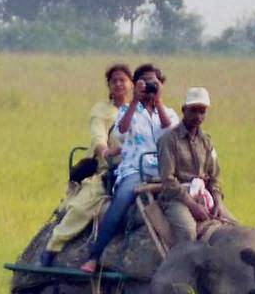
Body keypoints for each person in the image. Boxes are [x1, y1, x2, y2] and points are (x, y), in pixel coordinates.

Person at [80, 62, 175, 273]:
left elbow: (172, 134)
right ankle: (95, 255)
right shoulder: (126, 109)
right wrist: (135, 102)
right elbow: (121, 132)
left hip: (163, 171)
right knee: (122, 199)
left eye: (155, 82)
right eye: (145, 82)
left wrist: (158, 102)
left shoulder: (168, 112)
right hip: (135, 169)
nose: (150, 86)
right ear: (136, 85)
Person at [45, 62, 133, 258]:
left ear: (131, 84)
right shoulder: (101, 110)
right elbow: (98, 137)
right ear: (109, 86)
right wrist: (106, 152)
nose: (119, 84)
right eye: (114, 81)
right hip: (108, 169)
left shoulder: (139, 110)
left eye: (123, 80)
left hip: (137, 169)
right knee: (81, 208)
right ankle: (54, 244)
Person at [154, 86, 224, 229]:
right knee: (187, 231)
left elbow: (214, 176)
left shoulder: (206, 141)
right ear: (183, 110)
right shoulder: (168, 140)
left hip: (202, 194)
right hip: (176, 198)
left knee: (234, 228)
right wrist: (192, 205)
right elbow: (168, 180)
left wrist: (218, 202)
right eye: (193, 110)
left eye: (202, 111)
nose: (198, 116)